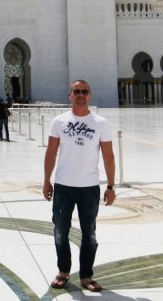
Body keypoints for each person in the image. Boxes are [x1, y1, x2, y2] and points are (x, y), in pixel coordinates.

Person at [42, 80, 116, 292]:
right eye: (76, 92)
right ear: (70, 95)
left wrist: (111, 187)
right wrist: (46, 180)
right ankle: (63, 272)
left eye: (84, 91)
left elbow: (108, 156)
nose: (80, 95)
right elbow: (51, 152)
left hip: (89, 188)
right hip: (63, 187)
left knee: (89, 234)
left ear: (89, 95)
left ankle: (86, 275)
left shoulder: (100, 123)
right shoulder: (59, 122)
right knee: (60, 232)